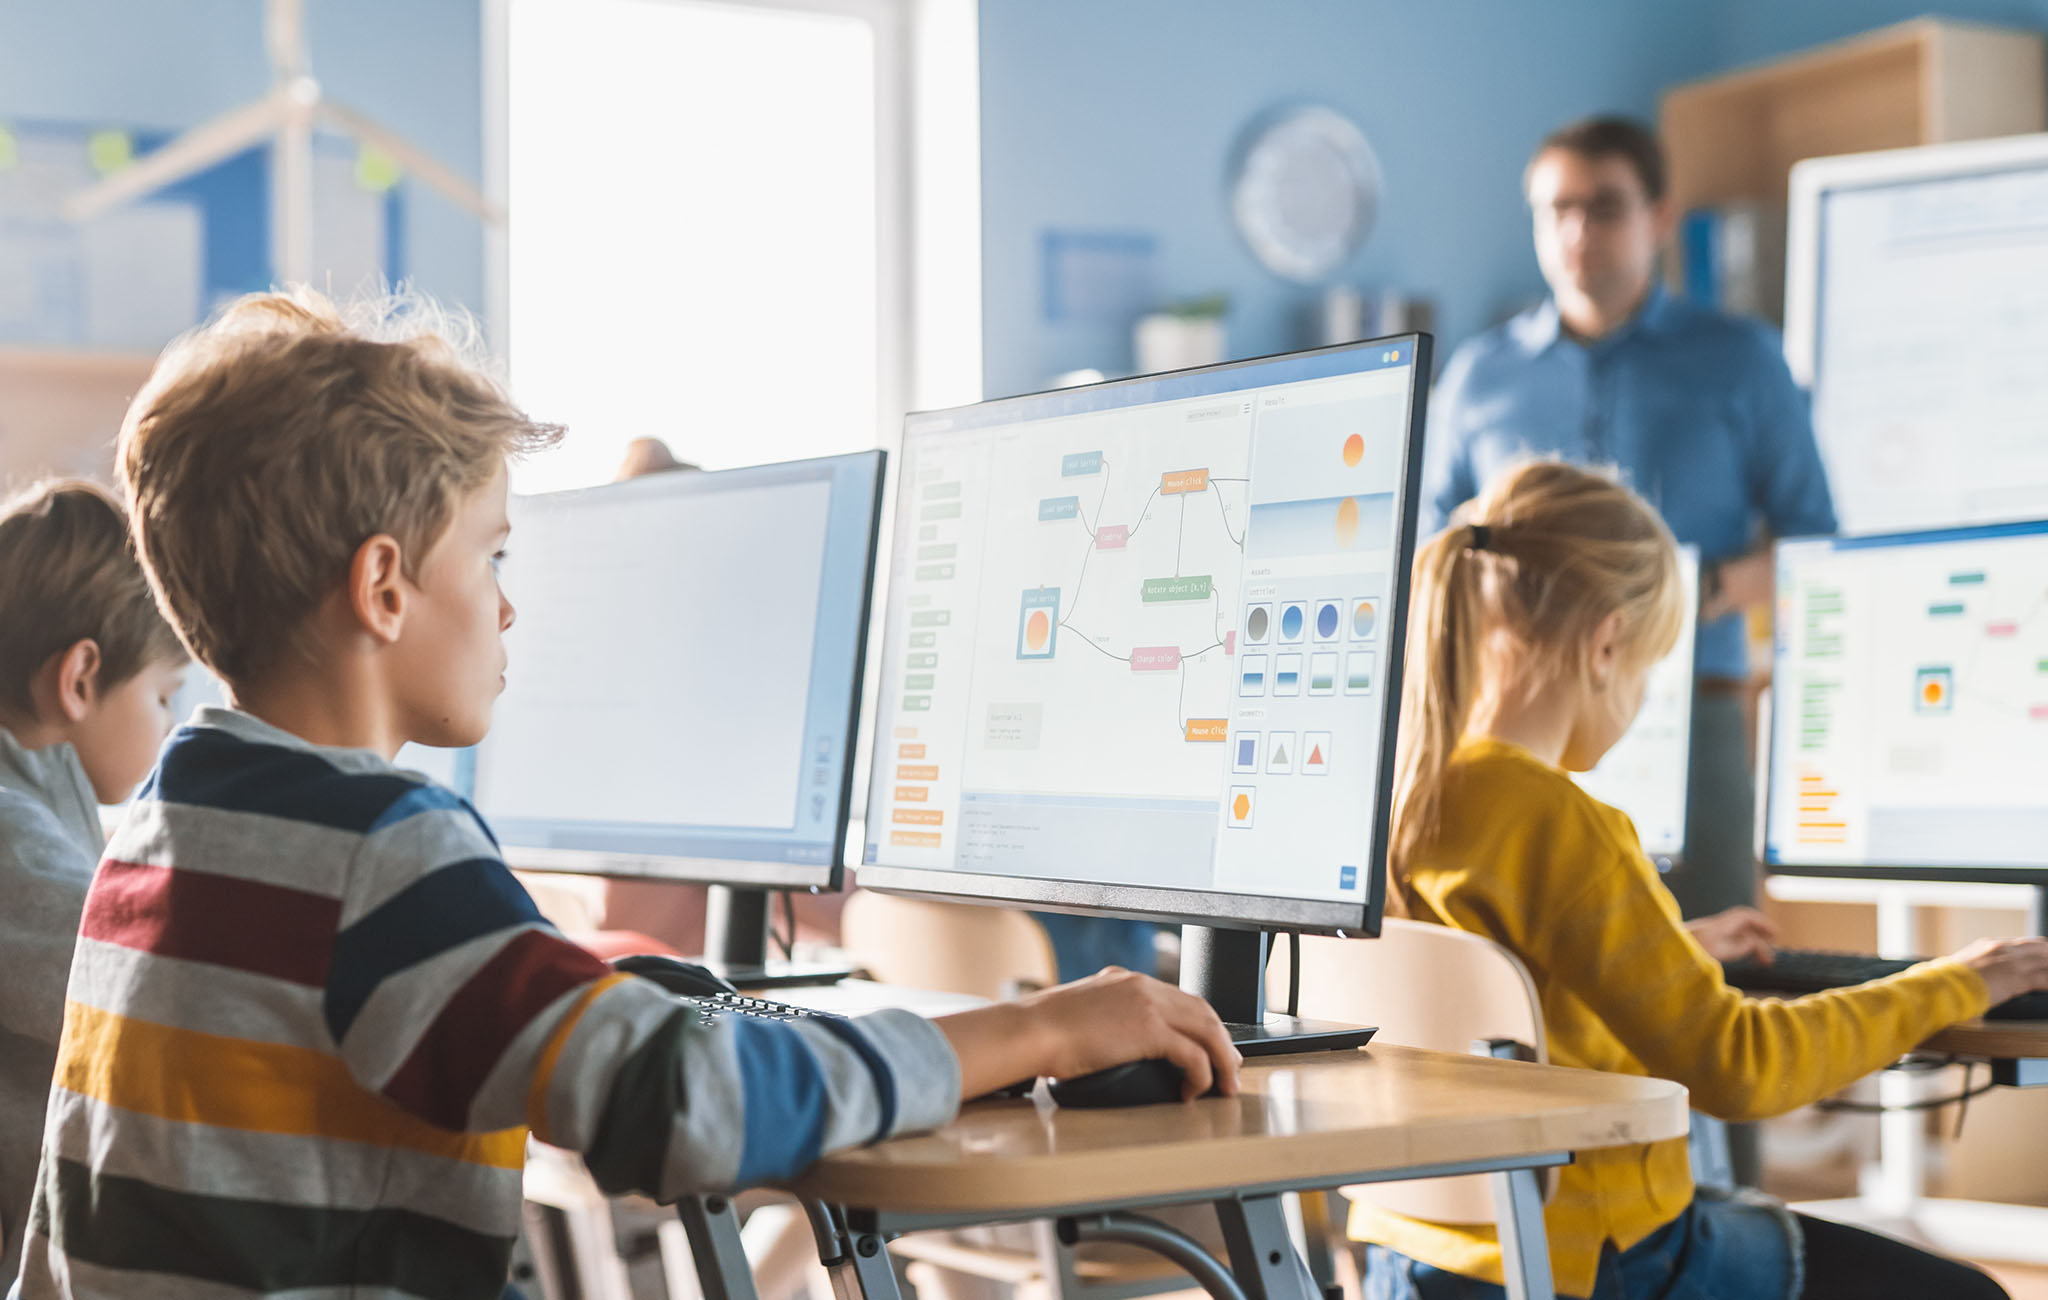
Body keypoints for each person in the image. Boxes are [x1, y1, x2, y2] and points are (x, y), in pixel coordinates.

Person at [10, 288, 1239, 1299]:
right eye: (489, 554)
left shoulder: (168, 829)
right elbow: (686, 1108)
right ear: (383, 587)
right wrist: (1039, 1030)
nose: (506, 604)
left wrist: (626, 990)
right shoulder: (386, 850)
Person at [1352, 459, 2045, 1300]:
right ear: (1606, 645)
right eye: (1650, 668)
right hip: (1602, 1265)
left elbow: (1495, 997)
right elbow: (1740, 1065)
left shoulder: (1400, 795)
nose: (1643, 698)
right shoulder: (1561, 823)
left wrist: (1665, 952)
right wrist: (1950, 983)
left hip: (1411, 1263)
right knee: (1967, 1295)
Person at [1418, 116, 1836, 925]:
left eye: (1605, 207)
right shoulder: (1478, 377)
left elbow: (1812, 544)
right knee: (1528, 980)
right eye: (1558, 210)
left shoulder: (1742, 359)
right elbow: (1437, 552)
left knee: (1709, 964)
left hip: (1694, 709)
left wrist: (1699, 590)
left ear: (1661, 216)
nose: (1579, 231)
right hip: (1520, 716)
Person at [0, 482, 188, 1281]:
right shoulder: (12, 838)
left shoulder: (34, 803)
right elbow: (136, 998)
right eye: (163, 695)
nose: (173, 726)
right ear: (79, 679)